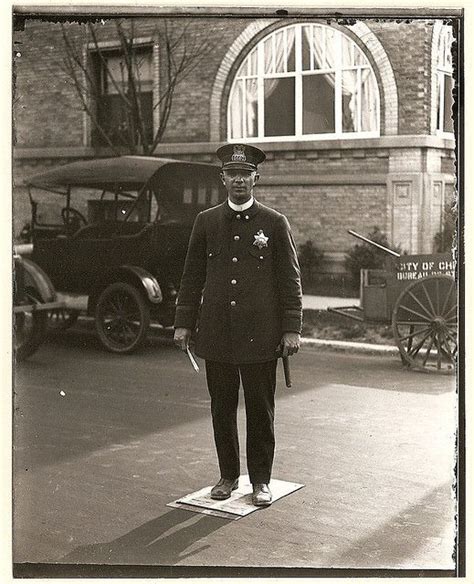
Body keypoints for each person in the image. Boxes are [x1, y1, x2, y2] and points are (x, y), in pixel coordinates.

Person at [174, 143, 302, 506]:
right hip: (217, 334)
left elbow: (290, 281)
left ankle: (261, 480)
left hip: (260, 335)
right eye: (233, 174)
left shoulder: (274, 223)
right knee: (222, 408)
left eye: (246, 175)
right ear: (223, 178)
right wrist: (183, 322)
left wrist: (292, 328)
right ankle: (228, 475)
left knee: (260, 410)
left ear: (256, 179)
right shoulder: (207, 221)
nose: (239, 181)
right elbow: (191, 277)